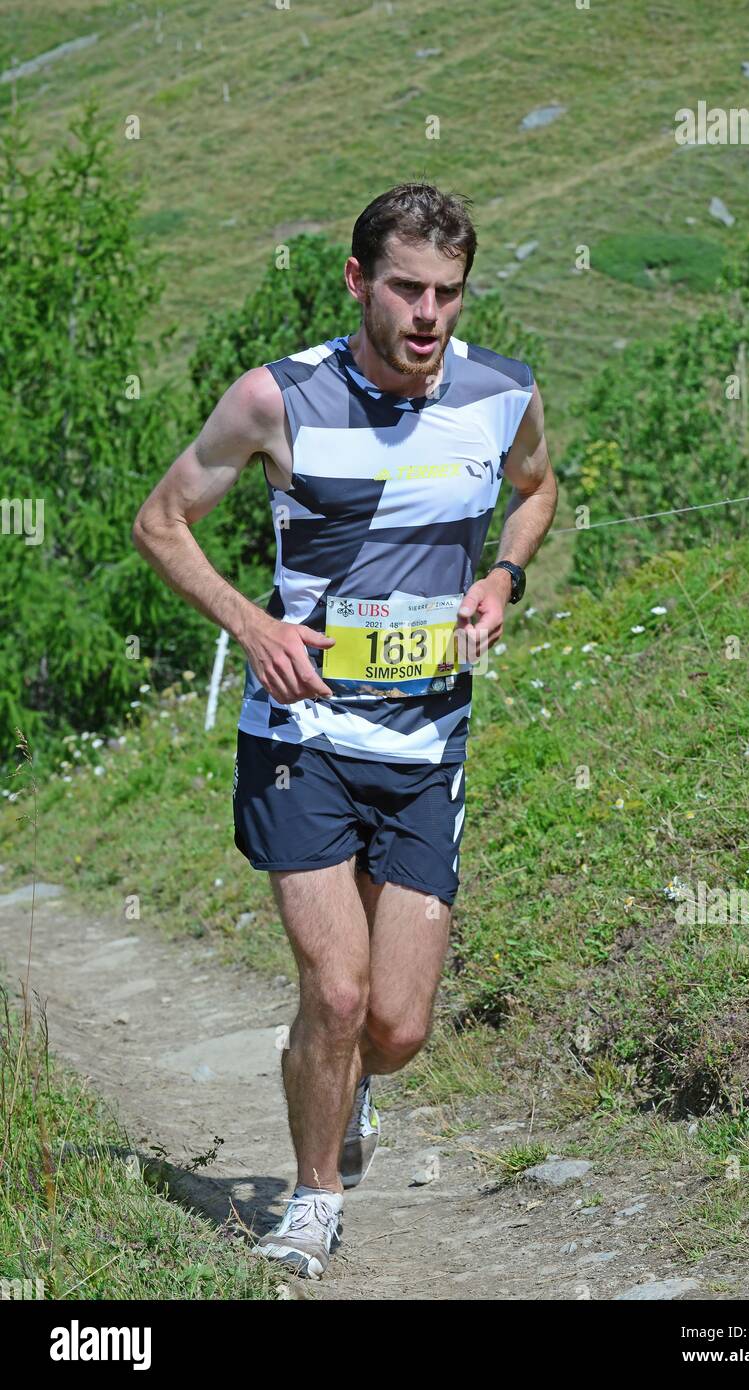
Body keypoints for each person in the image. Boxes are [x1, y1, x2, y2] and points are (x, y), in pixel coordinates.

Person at [131, 182, 557, 1279]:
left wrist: (504, 576)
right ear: (359, 283)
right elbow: (161, 520)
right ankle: (315, 1194)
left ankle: (339, 1075)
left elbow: (536, 489)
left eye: (449, 294)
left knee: (398, 1027)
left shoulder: (502, 395)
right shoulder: (277, 401)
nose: (429, 316)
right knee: (338, 989)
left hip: (427, 746)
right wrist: (251, 621)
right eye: (408, 289)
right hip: (301, 737)